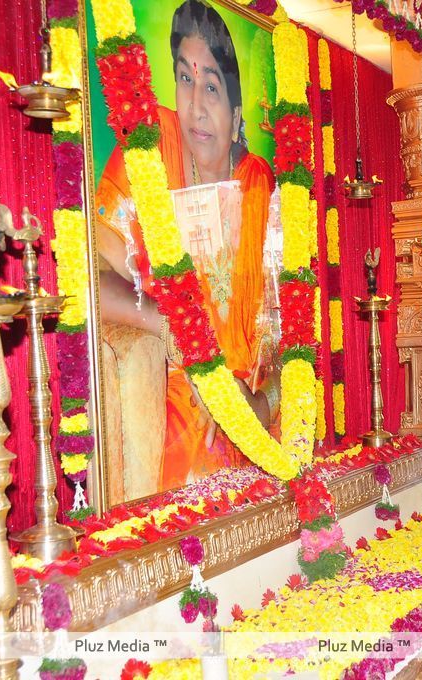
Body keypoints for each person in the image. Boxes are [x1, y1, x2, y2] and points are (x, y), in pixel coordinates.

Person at [95, 0, 276, 489]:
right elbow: (91, 274)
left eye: (212, 87)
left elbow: (283, 337)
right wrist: (170, 326)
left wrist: (252, 401)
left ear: (237, 114)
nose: (195, 104)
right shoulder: (153, 145)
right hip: (172, 393)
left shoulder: (257, 183)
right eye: (185, 78)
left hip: (248, 404)